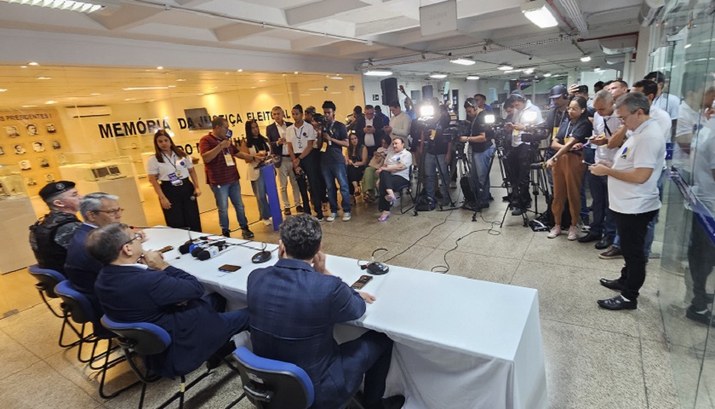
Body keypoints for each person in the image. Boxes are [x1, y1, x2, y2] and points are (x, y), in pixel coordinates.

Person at [247, 214, 403, 409]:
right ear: (319, 249)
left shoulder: (255, 277)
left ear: (281, 246)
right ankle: (374, 404)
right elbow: (358, 308)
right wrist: (323, 272)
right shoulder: (327, 287)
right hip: (318, 389)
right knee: (383, 339)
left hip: (270, 383)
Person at [90, 223, 249, 378]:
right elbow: (196, 288)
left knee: (216, 297)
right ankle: (238, 353)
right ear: (127, 248)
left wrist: (176, 297)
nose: (139, 240)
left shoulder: (102, 279)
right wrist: (163, 266)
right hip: (181, 342)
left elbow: (147, 300)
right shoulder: (147, 281)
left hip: (157, 337)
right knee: (254, 311)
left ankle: (218, 345)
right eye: (135, 238)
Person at [591, 92, 665, 310]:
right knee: (628, 248)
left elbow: (641, 176)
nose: (621, 122)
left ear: (639, 112)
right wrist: (611, 166)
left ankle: (629, 296)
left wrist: (608, 171)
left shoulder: (648, 137)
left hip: (636, 205)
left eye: (623, 118)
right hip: (626, 203)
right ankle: (625, 279)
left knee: (634, 253)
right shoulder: (638, 132)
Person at [199, 117, 259, 239]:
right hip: (219, 181)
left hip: (233, 178)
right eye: (225, 127)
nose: (227, 130)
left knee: (239, 205)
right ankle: (225, 232)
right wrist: (220, 146)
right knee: (223, 208)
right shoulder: (206, 140)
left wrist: (253, 157)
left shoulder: (227, 140)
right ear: (217, 127)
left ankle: (244, 227)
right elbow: (206, 158)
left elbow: (237, 153)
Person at [64, 192, 123, 317]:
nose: (119, 216)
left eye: (119, 210)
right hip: (110, 306)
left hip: (103, 294)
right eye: (112, 212)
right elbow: (122, 276)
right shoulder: (92, 244)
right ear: (91, 215)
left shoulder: (89, 233)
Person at [578, 90, 621, 249]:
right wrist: (593, 141)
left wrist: (606, 141)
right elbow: (597, 135)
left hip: (613, 165)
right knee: (597, 201)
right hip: (597, 161)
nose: (598, 112)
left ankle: (609, 235)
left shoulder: (620, 117)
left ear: (611, 104)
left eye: (602, 109)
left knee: (610, 204)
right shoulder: (597, 115)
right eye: (596, 109)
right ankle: (595, 230)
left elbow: (623, 141)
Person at [545, 96, 593, 240]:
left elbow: (569, 143)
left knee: (573, 194)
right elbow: (554, 143)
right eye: (569, 108)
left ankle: (573, 225)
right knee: (558, 194)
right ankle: (557, 225)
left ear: (583, 110)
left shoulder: (584, 123)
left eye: (574, 108)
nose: (570, 111)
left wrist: (555, 156)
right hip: (560, 160)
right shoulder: (566, 121)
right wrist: (566, 150)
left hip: (574, 162)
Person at [147, 129, 202, 232]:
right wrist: (162, 198)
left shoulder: (181, 155)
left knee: (192, 217)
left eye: (165, 140)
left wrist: (197, 186)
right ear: (156, 143)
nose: (164, 143)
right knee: (175, 220)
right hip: (169, 189)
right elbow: (152, 180)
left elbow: (192, 170)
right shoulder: (154, 160)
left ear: (170, 141)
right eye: (160, 141)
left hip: (186, 187)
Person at [29, 180, 82, 273]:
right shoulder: (70, 227)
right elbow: (96, 256)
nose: (81, 197)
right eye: (74, 195)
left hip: (59, 275)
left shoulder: (40, 224)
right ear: (59, 203)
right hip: (76, 279)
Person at [505, 92, 543, 215]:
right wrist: (512, 127)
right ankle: (517, 198)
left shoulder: (533, 110)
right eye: (514, 104)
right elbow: (517, 126)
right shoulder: (517, 111)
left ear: (523, 100)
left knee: (523, 176)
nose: (516, 106)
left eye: (517, 103)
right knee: (514, 175)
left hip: (527, 145)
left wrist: (524, 128)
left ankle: (524, 202)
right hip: (515, 144)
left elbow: (540, 128)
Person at [319, 100, 352, 222]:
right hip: (324, 160)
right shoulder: (323, 126)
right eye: (325, 112)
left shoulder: (340, 126)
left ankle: (347, 210)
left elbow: (346, 143)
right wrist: (319, 133)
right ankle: (333, 210)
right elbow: (319, 144)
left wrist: (331, 138)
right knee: (330, 187)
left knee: (343, 185)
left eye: (328, 112)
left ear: (333, 113)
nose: (326, 115)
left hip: (337, 159)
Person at [459, 97, 495, 210]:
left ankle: (483, 200)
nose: (469, 114)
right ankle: (478, 197)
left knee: (482, 176)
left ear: (475, 107)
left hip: (483, 149)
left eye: (470, 111)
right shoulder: (475, 117)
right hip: (476, 150)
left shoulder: (482, 117)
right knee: (475, 176)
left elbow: (482, 137)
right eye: (467, 112)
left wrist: (467, 138)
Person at [266, 106, 301, 215]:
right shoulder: (270, 128)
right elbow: (269, 143)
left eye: (278, 113)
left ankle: (298, 204)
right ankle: (286, 206)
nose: (276, 116)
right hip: (280, 158)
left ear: (283, 114)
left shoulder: (290, 125)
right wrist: (277, 143)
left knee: (295, 183)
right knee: (283, 185)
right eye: (274, 114)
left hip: (291, 157)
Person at [420, 104, 452, 209]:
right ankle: (430, 198)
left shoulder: (445, 121)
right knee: (429, 176)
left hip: (442, 152)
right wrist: (421, 147)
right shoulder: (428, 121)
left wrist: (448, 153)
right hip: (430, 151)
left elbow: (449, 139)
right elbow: (423, 135)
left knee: (443, 176)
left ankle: (446, 198)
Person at [241, 119, 272, 226]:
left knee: (271, 193)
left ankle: (271, 212)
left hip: (268, 168)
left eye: (256, 127)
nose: (255, 130)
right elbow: (246, 159)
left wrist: (267, 155)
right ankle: (265, 215)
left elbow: (271, 152)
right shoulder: (246, 143)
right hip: (256, 170)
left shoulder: (264, 140)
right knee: (261, 195)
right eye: (252, 128)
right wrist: (256, 156)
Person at [286, 104, 315, 216]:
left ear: (302, 114)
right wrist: (295, 161)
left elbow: (310, 145)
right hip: (296, 158)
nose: (295, 116)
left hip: (307, 156)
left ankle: (318, 209)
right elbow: (289, 146)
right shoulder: (289, 129)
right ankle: (306, 211)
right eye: (293, 114)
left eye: (297, 114)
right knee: (301, 185)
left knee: (312, 183)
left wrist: (300, 158)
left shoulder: (309, 127)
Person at [377, 137, 412, 222]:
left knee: (383, 180)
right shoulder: (390, 153)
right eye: (393, 144)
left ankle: (385, 209)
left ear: (402, 144)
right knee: (383, 174)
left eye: (396, 143)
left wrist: (387, 168)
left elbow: (400, 167)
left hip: (401, 177)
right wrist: (383, 169)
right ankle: (390, 194)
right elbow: (385, 166)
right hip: (389, 177)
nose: (394, 145)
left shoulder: (407, 154)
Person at [361, 137, 390, 202]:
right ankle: (370, 191)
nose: (383, 144)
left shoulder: (390, 150)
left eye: (385, 143)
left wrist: (383, 156)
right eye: (382, 143)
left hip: (384, 166)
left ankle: (370, 193)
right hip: (375, 165)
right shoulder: (379, 149)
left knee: (374, 173)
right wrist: (376, 154)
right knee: (368, 170)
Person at [346, 132, 368, 198]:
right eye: (352, 139)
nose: (354, 140)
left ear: (358, 139)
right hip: (352, 168)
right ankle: (356, 188)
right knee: (349, 170)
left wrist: (354, 163)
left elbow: (364, 162)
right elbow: (346, 159)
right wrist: (349, 161)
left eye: (355, 138)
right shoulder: (349, 148)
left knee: (350, 171)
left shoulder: (363, 147)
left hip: (361, 167)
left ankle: (353, 192)